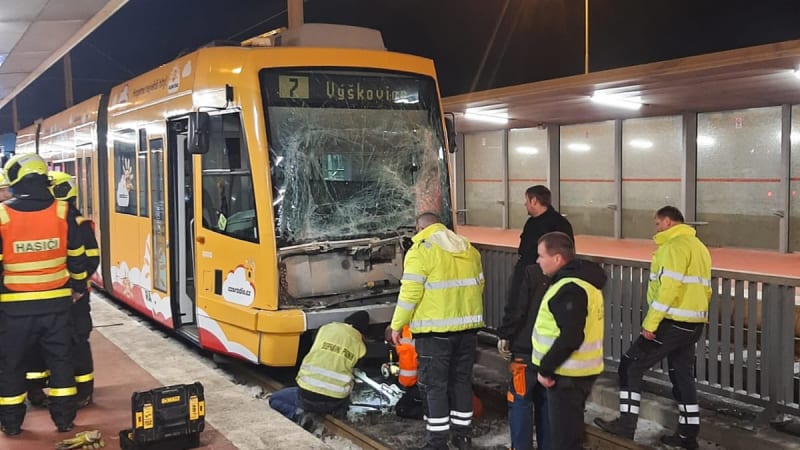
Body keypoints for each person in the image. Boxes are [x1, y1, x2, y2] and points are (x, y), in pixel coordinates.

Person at [595, 206, 712, 450]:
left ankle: (626, 427)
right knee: (682, 376)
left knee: (630, 365)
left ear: (668, 222)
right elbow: (706, 289)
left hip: (672, 322)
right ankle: (687, 436)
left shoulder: (673, 247)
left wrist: (651, 323)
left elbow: (668, 289)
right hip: (693, 323)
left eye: (657, 224)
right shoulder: (699, 247)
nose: (656, 228)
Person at [0, 154, 91, 435]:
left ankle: (12, 424)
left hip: (13, 309)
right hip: (56, 305)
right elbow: (77, 257)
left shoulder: (2, 215)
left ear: (15, 178)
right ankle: (64, 420)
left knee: (11, 364)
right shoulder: (63, 212)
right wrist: (77, 288)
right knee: (61, 361)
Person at [389, 212, 484, 450]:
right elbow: (479, 285)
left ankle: (437, 442)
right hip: (468, 331)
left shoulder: (421, 250)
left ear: (419, 228)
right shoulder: (468, 248)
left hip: (435, 333)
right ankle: (462, 436)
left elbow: (410, 294)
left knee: (435, 387)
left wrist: (396, 324)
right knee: (461, 382)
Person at [496, 185, 573, 450]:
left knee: (520, 399)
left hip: (527, 348)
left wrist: (505, 334)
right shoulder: (575, 279)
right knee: (547, 402)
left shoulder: (530, 274)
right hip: (556, 351)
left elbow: (517, 307)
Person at [24, 171, 100, 408]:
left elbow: (91, 260)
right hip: (53, 295)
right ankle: (37, 389)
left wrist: (74, 285)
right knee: (39, 342)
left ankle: (83, 390)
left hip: (75, 298)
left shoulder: (77, 223)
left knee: (77, 340)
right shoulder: (49, 220)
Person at [532, 232, 606, 450]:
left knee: (565, 442)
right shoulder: (585, 283)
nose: (538, 261)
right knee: (570, 435)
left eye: (541, 256)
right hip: (580, 372)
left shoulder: (569, 288)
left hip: (566, 375)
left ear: (557, 259)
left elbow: (571, 336)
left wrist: (545, 369)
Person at [269, 311, 369, 425]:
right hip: (335, 401)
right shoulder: (361, 345)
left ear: (347, 321)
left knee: (275, 399)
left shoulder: (325, 329)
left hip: (307, 397)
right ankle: (339, 412)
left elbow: (313, 341)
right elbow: (357, 368)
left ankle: (297, 414)